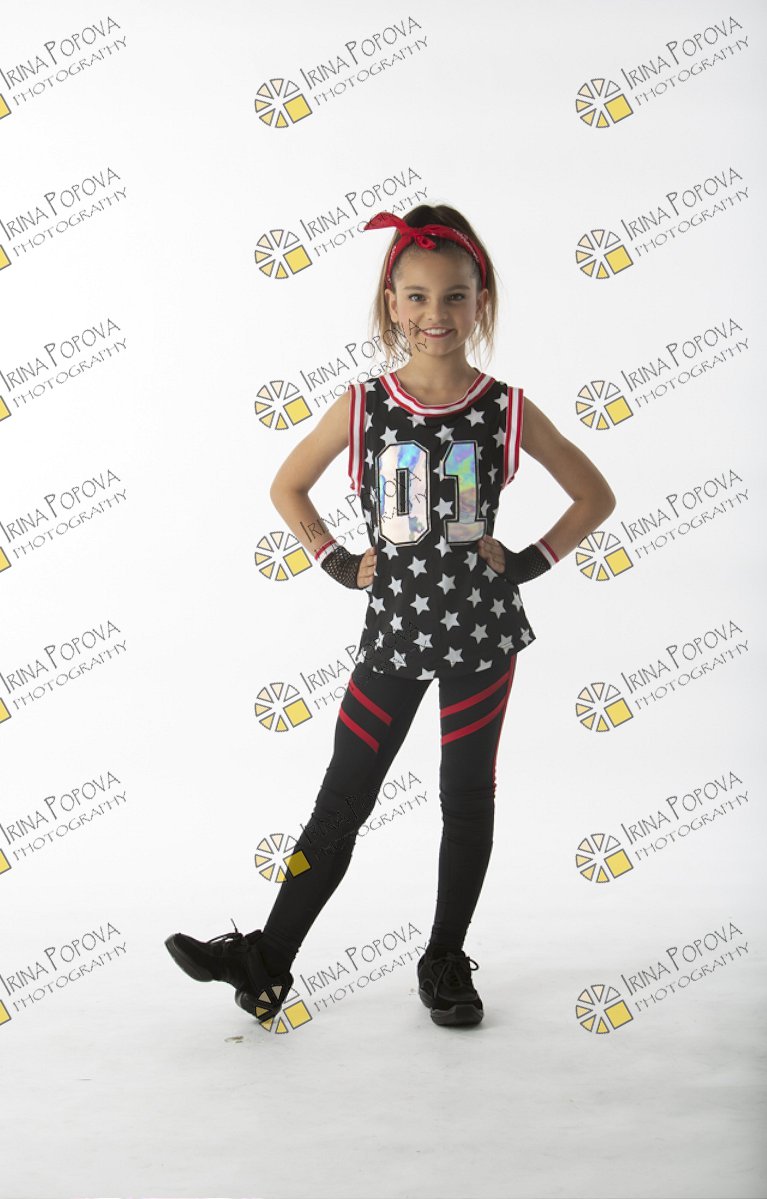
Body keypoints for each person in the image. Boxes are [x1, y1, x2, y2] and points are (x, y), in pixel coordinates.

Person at [165, 203, 616, 1029]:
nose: (434, 314)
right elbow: (287, 486)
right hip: (395, 635)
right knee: (341, 801)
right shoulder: (363, 404)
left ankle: (444, 957)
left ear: (481, 301)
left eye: (454, 296)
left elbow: (595, 495)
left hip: (481, 636)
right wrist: (336, 559)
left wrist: (526, 561)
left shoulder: (507, 408)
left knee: (465, 798)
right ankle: (267, 959)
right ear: (391, 303)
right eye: (416, 296)